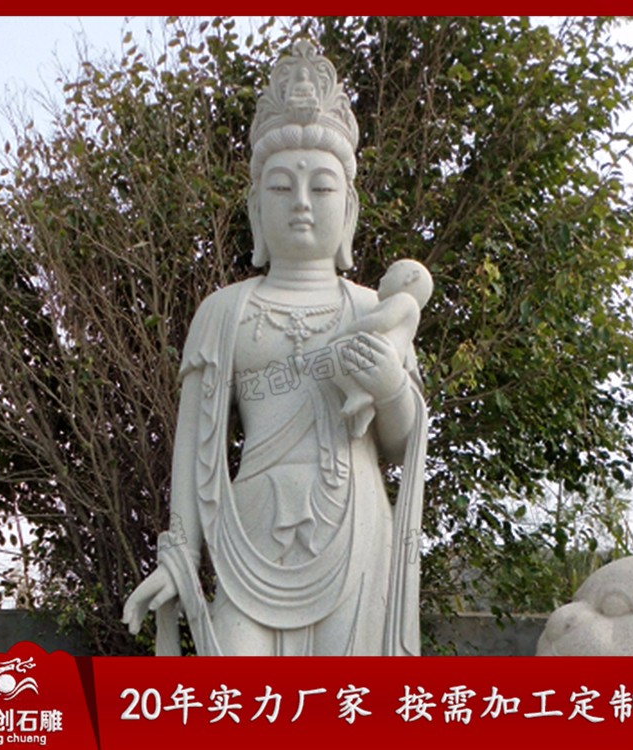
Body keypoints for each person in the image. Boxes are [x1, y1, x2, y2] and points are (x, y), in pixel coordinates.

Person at [122, 40, 429, 656]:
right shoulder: (224, 312)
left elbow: (399, 443)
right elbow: (193, 443)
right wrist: (178, 555)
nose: (302, 204)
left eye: (322, 188)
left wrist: (391, 386)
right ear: (255, 207)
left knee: (347, 699)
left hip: (354, 529)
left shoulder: (372, 308)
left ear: (349, 210)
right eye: (282, 187)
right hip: (250, 537)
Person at [332, 259, 433, 438]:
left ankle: (358, 394)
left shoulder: (403, 300)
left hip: (380, 351)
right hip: (374, 351)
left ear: (410, 277)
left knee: (334, 351)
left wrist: (391, 391)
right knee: (334, 354)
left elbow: (382, 321)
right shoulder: (394, 304)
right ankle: (360, 399)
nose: (382, 278)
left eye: (390, 272)